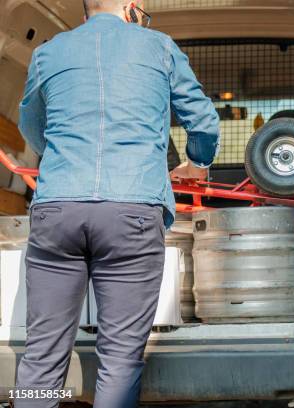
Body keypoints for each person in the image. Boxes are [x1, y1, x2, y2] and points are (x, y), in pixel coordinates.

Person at [14, 1, 220, 407]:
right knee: (120, 358)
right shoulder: (159, 48)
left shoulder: (48, 52)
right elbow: (203, 123)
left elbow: (31, 127)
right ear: (131, 8)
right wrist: (198, 160)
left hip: (58, 209)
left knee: (40, 355)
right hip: (131, 211)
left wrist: (62, 160)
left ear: (86, 10)